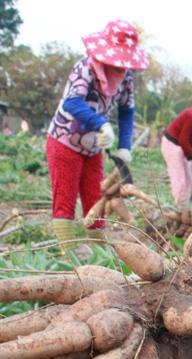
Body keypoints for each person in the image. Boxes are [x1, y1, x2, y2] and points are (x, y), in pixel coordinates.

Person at [46, 19, 148, 252]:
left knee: (96, 198)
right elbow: (72, 102)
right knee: (66, 198)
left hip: (93, 147)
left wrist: (125, 146)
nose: (121, 66)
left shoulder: (127, 76)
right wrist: (102, 123)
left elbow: (127, 110)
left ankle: (99, 254)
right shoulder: (85, 67)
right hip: (64, 142)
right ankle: (69, 254)